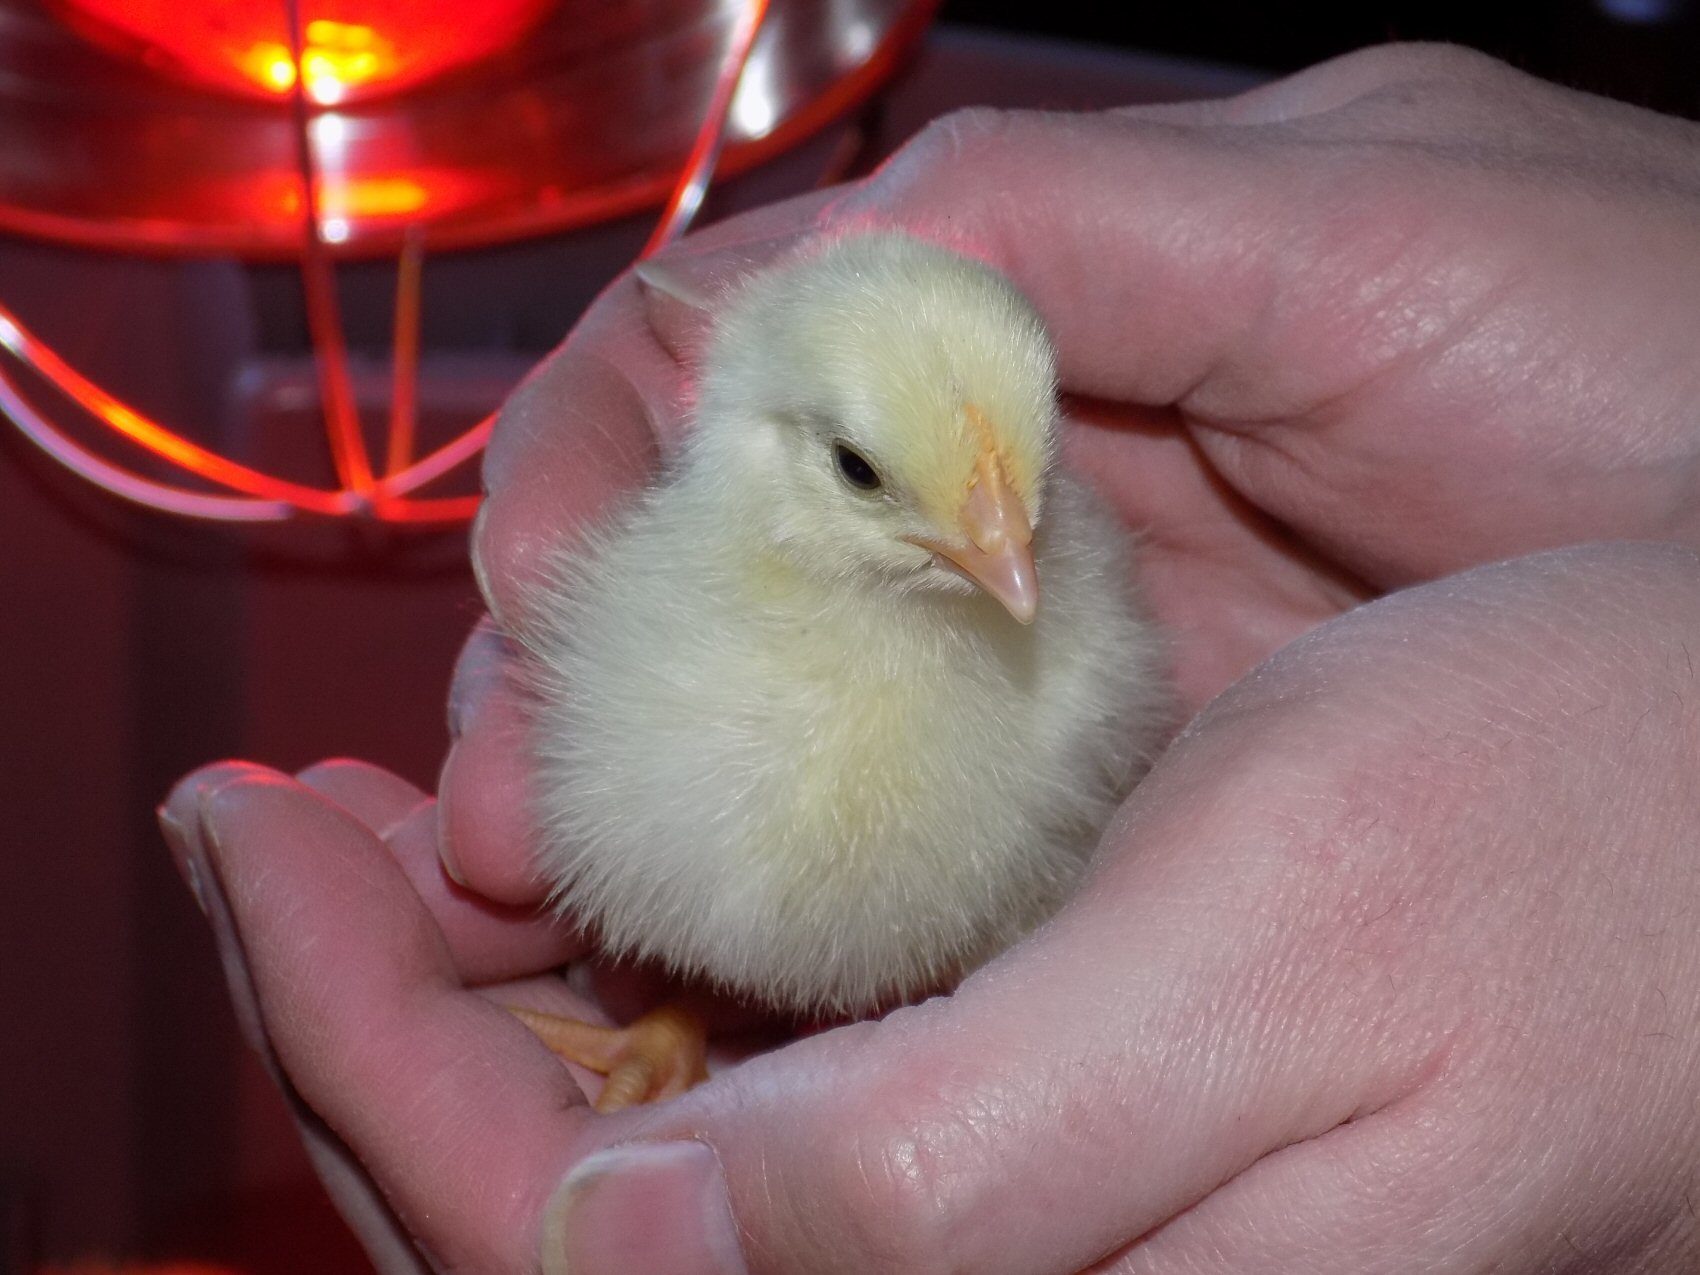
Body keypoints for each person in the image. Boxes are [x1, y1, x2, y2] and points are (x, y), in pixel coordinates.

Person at [158, 42, 1700, 1273]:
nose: (1014, 568)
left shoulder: (1057, 648)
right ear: (762, 440)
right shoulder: (661, 612)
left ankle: (777, 1041)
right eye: (866, 479)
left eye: (1024, 495)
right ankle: (685, 1017)